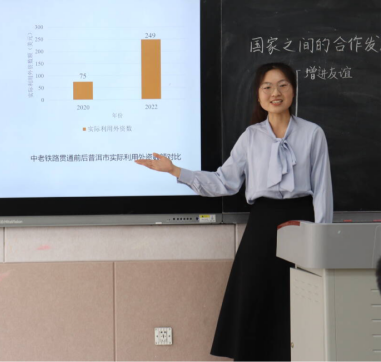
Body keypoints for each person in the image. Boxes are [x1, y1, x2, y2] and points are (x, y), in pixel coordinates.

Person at [135, 62, 333, 362]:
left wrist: (322, 241)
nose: (275, 93)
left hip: (302, 223)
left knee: (301, 299)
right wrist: (176, 171)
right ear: (258, 94)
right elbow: (224, 182)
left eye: (283, 85)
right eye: (267, 87)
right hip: (262, 226)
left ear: (293, 91)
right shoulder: (251, 137)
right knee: (254, 298)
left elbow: (323, 191)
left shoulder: (313, 133)